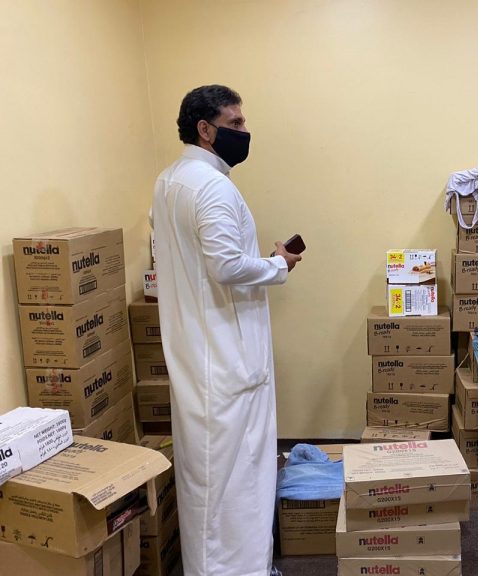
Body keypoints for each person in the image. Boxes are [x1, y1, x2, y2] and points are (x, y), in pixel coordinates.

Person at [151, 84, 301, 576]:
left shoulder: (169, 180)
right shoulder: (212, 187)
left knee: (207, 477)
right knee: (238, 478)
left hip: (197, 353)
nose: (244, 130)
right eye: (235, 123)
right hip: (227, 359)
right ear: (205, 129)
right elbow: (225, 265)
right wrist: (278, 264)